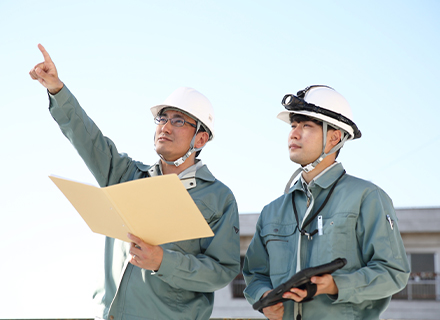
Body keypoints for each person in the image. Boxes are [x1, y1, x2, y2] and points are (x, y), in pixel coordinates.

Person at [29, 44, 240, 320]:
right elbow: (88, 140)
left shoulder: (218, 198)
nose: (165, 126)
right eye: (162, 118)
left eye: (178, 121)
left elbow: (222, 271)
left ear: (200, 139)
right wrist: (57, 90)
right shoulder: (127, 176)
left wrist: (164, 262)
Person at [242, 85, 410, 320]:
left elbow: (394, 272)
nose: (294, 134)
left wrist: (333, 285)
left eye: (307, 126)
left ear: (334, 137)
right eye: (293, 125)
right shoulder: (272, 212)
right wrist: (264, 298)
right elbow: (254, 274)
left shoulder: (367, 197)